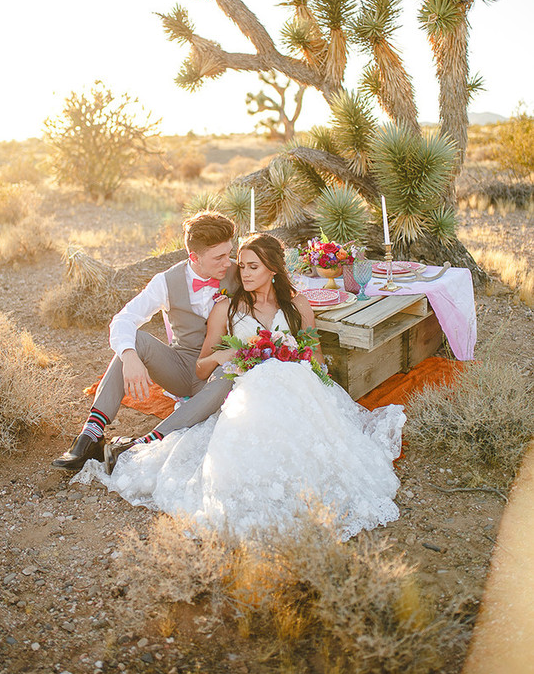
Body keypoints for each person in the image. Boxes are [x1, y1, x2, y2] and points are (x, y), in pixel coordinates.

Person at [72, 234, 406, 540]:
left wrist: (302, 363)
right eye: (240, 265)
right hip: (244, 388)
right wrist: (227, 355)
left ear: (273, 269)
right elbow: (202, 367)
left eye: (251, 266)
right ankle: (97, 435)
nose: (241, 272)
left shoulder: (298, 305)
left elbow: (316, 356)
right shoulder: (227, 307)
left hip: (294, 388)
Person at [52, 211, 237, 471]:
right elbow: (123, 319)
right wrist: (129, 356)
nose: (227, 262)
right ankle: (90, 435)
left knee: (229, 375)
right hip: (182, 369)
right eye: (219, 257)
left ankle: (145, 443)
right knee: (134, 340)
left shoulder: (241, 273)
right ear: (194, 257)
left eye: (229, 253)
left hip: (220, 370)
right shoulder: (166, 281)